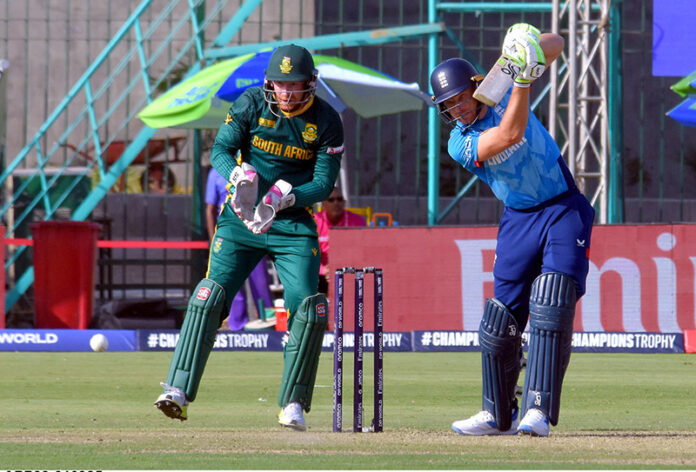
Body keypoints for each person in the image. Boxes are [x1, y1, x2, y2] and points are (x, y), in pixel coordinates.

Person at [154, 44, 344, 431]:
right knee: (209, 296)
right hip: (241, 218)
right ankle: (177, 390)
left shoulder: (326, 120)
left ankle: (293, 403)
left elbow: (324, 183)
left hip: (291, 221)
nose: (287, 94)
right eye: (280, 85)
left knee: (308, 308)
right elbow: (221, 151)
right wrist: (236, 175)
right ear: (269, 82)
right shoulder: (250, 103)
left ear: (310, 83)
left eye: (295, 86)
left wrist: (288, 196)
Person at [429, 24, 594, 437]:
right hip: (518, 218)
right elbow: (510, 134)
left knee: (552, 299)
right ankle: (496, 414)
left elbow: (556, 45)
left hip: (561, 206)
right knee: (499, 319)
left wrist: (530, 50)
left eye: (461, 99)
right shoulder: (459, 142)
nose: (459, 110)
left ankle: (537, 410)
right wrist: (523, 78)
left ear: (476, 85)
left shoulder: (499, 83)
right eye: (449, 106)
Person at [205, 167, 273, 330]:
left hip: (253, 231)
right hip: (229, 233)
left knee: (261, 280)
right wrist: (213, 238)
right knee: (231, 280)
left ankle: (269, 322)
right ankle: (236, 326)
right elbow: (210, 208)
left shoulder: (254, 166)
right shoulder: (216, 172)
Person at [313, 186, 366, 294]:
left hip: (349, 269)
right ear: (323, 204)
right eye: (331, 200)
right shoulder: (314, 221)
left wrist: (340, 267)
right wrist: (324, 270)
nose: (336, 203)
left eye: (339, 199)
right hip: (321, 272)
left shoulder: (357, 221)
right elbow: (310, 253)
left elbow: (362, 251)